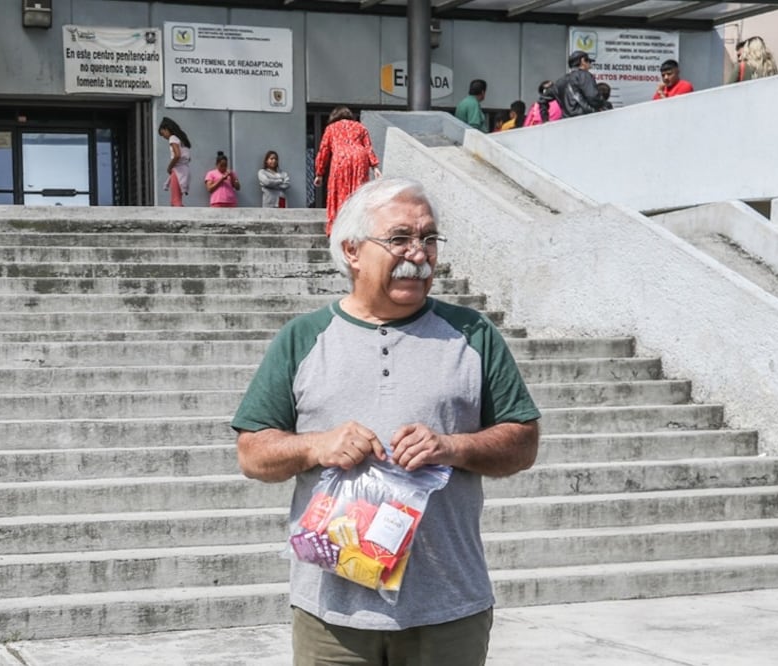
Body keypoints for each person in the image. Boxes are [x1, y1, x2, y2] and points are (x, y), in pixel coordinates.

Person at [232, 177, 541, 666]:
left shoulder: (472, 334)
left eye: (429, 239)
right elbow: (252, 453)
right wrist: (316, 445)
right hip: (331, 617)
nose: (418, 255)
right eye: (399, 239)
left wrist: (453, 447)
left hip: (448, 610)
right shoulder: (304, 338)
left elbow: (523, 442)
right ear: (353, 250)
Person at [313, 106, 381, 236]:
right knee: (358, 191)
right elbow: (368, 147)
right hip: (359, 158)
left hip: (341, 158)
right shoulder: (361, 127)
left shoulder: (331, 128)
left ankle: (338, 226)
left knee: (339, 190)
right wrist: (375, 167)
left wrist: (319, 173)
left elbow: (324, 151)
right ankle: (357, 225)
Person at [553, 51, 606, 118]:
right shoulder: (584, 75)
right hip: (584, 118)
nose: (590, 64)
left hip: (566, 120)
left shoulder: (560, 81)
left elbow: (543, 100)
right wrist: (602, 106)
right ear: (583, 60)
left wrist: (545, 118)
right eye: (589, 61)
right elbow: (593, 97)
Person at [157, 116, 191, 207]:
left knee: (175, 200)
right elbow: (187, 157)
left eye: (163, 134)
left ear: (166, 129)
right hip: (185, 170)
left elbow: (177, 155)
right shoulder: (182, 139)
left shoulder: (172, 138)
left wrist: (169, 167)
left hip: (178, 171)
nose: (164, 137)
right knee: (177, 199)